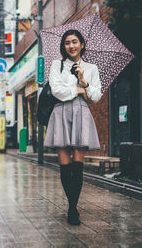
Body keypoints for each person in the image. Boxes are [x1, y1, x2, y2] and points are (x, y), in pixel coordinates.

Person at [44, 29, 102, 225]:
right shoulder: (56, 65)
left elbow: (96, 97)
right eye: (67, 42)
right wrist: (78, 90)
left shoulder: (92, 68)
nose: (71, 45)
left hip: (81, 114)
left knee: (77, 166)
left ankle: (72, 208)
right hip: (60, 113)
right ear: (64, 46)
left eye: (75, 42)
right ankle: (72, 206)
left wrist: (84, 82)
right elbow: (56, 90)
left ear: (82, 44)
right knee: (64, 166)